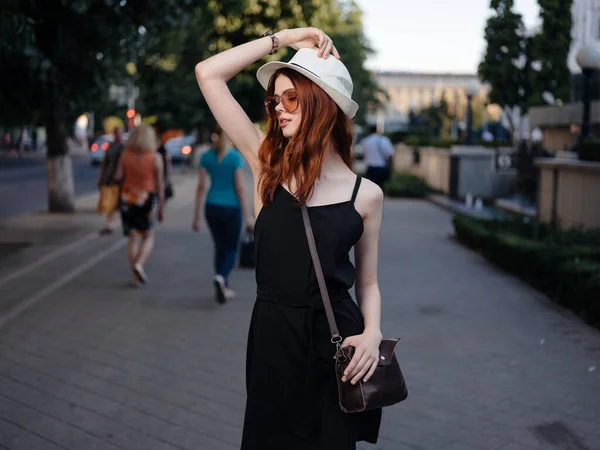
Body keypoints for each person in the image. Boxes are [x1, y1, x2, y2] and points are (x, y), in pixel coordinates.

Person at [195, 27, 384, 449]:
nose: (278, 108)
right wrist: (288, 37)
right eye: (274, 100)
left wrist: (372, 333)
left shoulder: (366, 195)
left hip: (338, 348)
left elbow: (367, 283)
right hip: (273, 341)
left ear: (323, 103)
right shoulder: (267, 168)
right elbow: (207, 73)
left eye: (291, 97)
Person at [191, 125, 253, 304]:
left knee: (219, 246)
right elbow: (240, 188)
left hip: (211, 207)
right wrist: (248, 215)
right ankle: (221, 277)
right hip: (232, 208)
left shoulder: (206, 156)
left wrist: (196, 216)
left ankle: (223, 285)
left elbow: (200, 187)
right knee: (232, 248)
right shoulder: (234, 157)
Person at [114, 124, 165, 286]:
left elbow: (117, 176)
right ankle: (139, 264)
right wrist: (162, 206)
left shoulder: (125, 154)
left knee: (133, 237)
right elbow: (160, 185)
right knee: (149, 234)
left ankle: (135, 278)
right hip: (146, 197)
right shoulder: (155, 157)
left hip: (128, 196)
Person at [97, 126, 125, 235]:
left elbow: (121, 164)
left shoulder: (123, 147)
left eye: (119, 133)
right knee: (110, 202)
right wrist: (101, 176)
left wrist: (117, 176)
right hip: (108, 177)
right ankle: (109, 223)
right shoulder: (110, 147)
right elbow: (104, 163)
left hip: (119, 180)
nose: (117, 135)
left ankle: (113, 223)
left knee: (118, 202)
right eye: (116, 133)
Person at [360, 124, 394, 188]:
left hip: (370, 168)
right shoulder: (384, 140)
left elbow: (363, 155)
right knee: (381, 187)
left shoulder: (365, 141)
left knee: (371, 188)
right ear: (377, 131)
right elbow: (390, 155)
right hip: (381, 167)